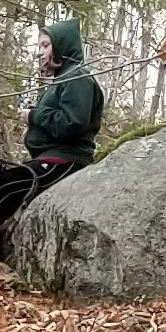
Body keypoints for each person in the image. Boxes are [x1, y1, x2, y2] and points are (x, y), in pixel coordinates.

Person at [20, 15, 103, 198]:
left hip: (66, 161)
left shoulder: (77, 77)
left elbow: (72, 123)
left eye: (45, 45)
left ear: (61, 46)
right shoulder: (64, 79)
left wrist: (33, 116)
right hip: (51, 159)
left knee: (3, 184)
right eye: (40, 46)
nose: (40, 52)